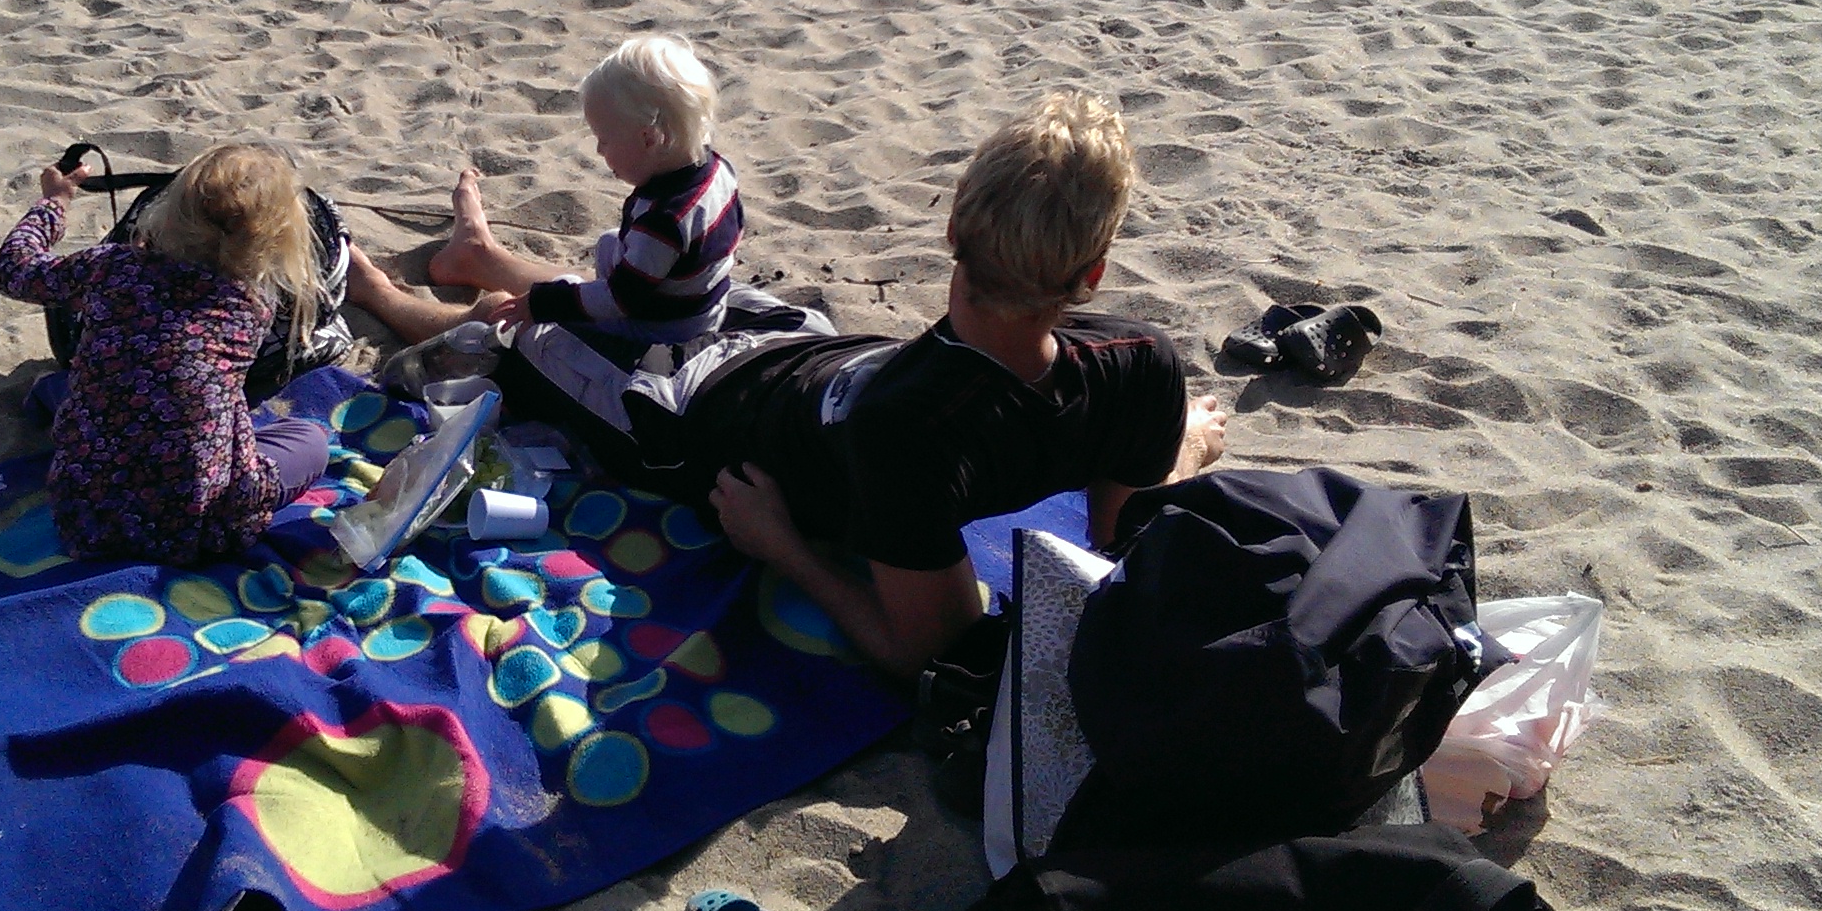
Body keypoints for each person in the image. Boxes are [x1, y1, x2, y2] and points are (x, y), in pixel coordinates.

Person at [349, 89, 1227, 678]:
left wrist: (785, 549)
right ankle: (481, 255)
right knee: (642, 304)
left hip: (691, 417)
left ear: (954, 228)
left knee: (519, 338)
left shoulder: (913, 430)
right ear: (1093, 273)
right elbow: (1117, 541)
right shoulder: (1139, 362)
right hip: (794, 349)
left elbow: (930, 647)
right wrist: (1179, 449)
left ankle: (385, 295)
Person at [0, 143, 335, 566]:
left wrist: (55, 201)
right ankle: (54, 394)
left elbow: (11, 269)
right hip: (194, 526)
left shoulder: (111, 267)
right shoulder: (250, 307)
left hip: (83, 513)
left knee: (110, 388)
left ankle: (50, 394)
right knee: (310, 441)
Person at [425, 35, 744, 366]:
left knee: (543, 312)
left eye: (604, 140)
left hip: (663, 330)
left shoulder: (665, 221)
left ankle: (397, 299)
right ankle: (476, 257)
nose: (598, 150)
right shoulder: (718, 169)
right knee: (608, 244)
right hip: (700, 307)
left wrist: (542, 302)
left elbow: (620, 300)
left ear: (648, 138)